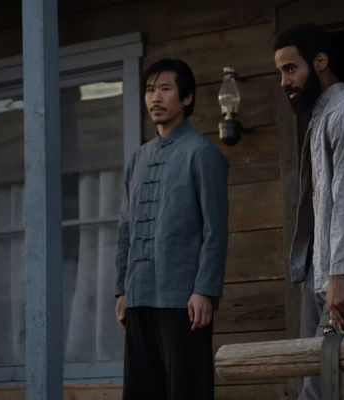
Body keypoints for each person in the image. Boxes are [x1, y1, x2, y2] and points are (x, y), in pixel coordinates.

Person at [114, 58, 229, 400]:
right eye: (150, 90)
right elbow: (125, 229)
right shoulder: (138, 158)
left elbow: (215, 229)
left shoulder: (202, 152)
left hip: (184, 299)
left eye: (165, 89)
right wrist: (122, 289)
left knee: (187, 390)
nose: (155, 98)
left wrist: (205, 290)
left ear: (187, 98)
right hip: (138, 295)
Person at [274, 24, 344, 399]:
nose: (284, 80)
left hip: (341, 279)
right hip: (319, 275)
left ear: (320, 62)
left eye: (291, 68)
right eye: (280, 72)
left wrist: (340, 274)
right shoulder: (318, 118)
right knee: (312, 381)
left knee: (322, 390)